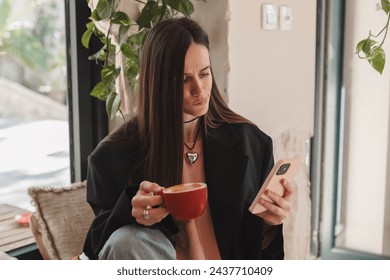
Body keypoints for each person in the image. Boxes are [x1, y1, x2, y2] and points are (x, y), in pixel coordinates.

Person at [82, 17, 294, 260]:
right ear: (158, 82)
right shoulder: (110, 159)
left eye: (204, 74)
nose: (200, 89)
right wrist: (129, 211)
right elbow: (97, 249)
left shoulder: (252, 143)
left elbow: (265, 254)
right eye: (184, 79)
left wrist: (270, 224)